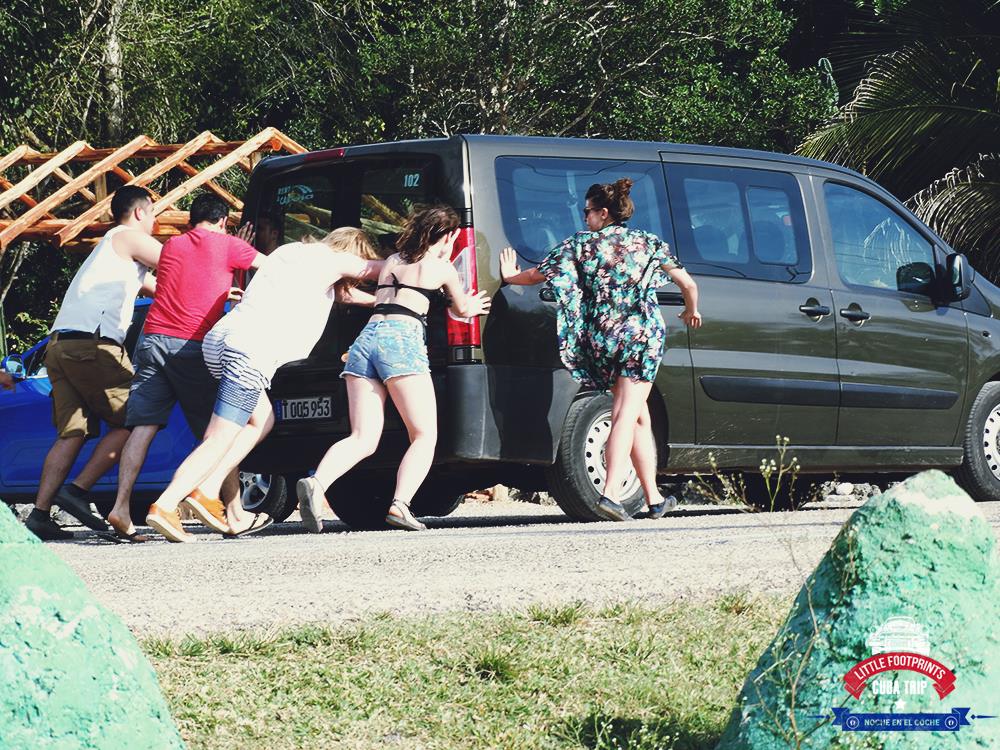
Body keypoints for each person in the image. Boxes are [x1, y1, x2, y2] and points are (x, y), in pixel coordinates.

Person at [144, 227, 384, 542]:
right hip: (251, 349)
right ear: (353, 252)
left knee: (262, 419)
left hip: (222, 339)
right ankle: (166, 504)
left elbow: (341, 293)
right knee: (220, 436)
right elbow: (382, 268)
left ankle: (209, 487)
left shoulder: (289, 253)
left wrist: (378, 300)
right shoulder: (337, 261)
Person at [499, 178, 702, 521]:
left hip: (604, 338)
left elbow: (537, 275)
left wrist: (510, 276)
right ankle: (610, 494)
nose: (584, 217)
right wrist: (690, 310)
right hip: (641, 337)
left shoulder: (580, 245)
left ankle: (653, 497)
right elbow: (688, 283)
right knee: (625, 411)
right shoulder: (647, 242)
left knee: (639, 415)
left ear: (603, 213)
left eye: (587, 211)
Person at [297, 206, 491, 533]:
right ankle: (400, 505)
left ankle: (317, 482)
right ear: (444, 236)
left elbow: (364, 288)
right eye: (452, 238)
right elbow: (461, 309)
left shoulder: (393, 261)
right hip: (402, 341)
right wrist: (473, 305)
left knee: (362, 437)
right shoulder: (442, 268)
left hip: (366, 341)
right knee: (424, 434)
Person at [106, 194, 263, 542]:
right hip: (190, 345)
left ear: (191, 220)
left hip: (151, 340)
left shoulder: (173, 245)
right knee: (225, 429)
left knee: (143, 426)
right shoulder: (228, 245)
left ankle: (120, 506)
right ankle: (232, 512)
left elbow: (195, 277)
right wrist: (239, 250)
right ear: (223, 221)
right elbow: (271, 269)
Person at [23, 186, 161, 541]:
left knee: (72, 432)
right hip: (93, 345)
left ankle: (39, 515)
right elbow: (177, 262)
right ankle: (79, 491)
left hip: (60, 346)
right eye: (155, 213)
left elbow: (162, 285)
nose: (157, 222)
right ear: (140, 212)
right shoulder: (127, 236)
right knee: (136, 417)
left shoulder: (112, 255)